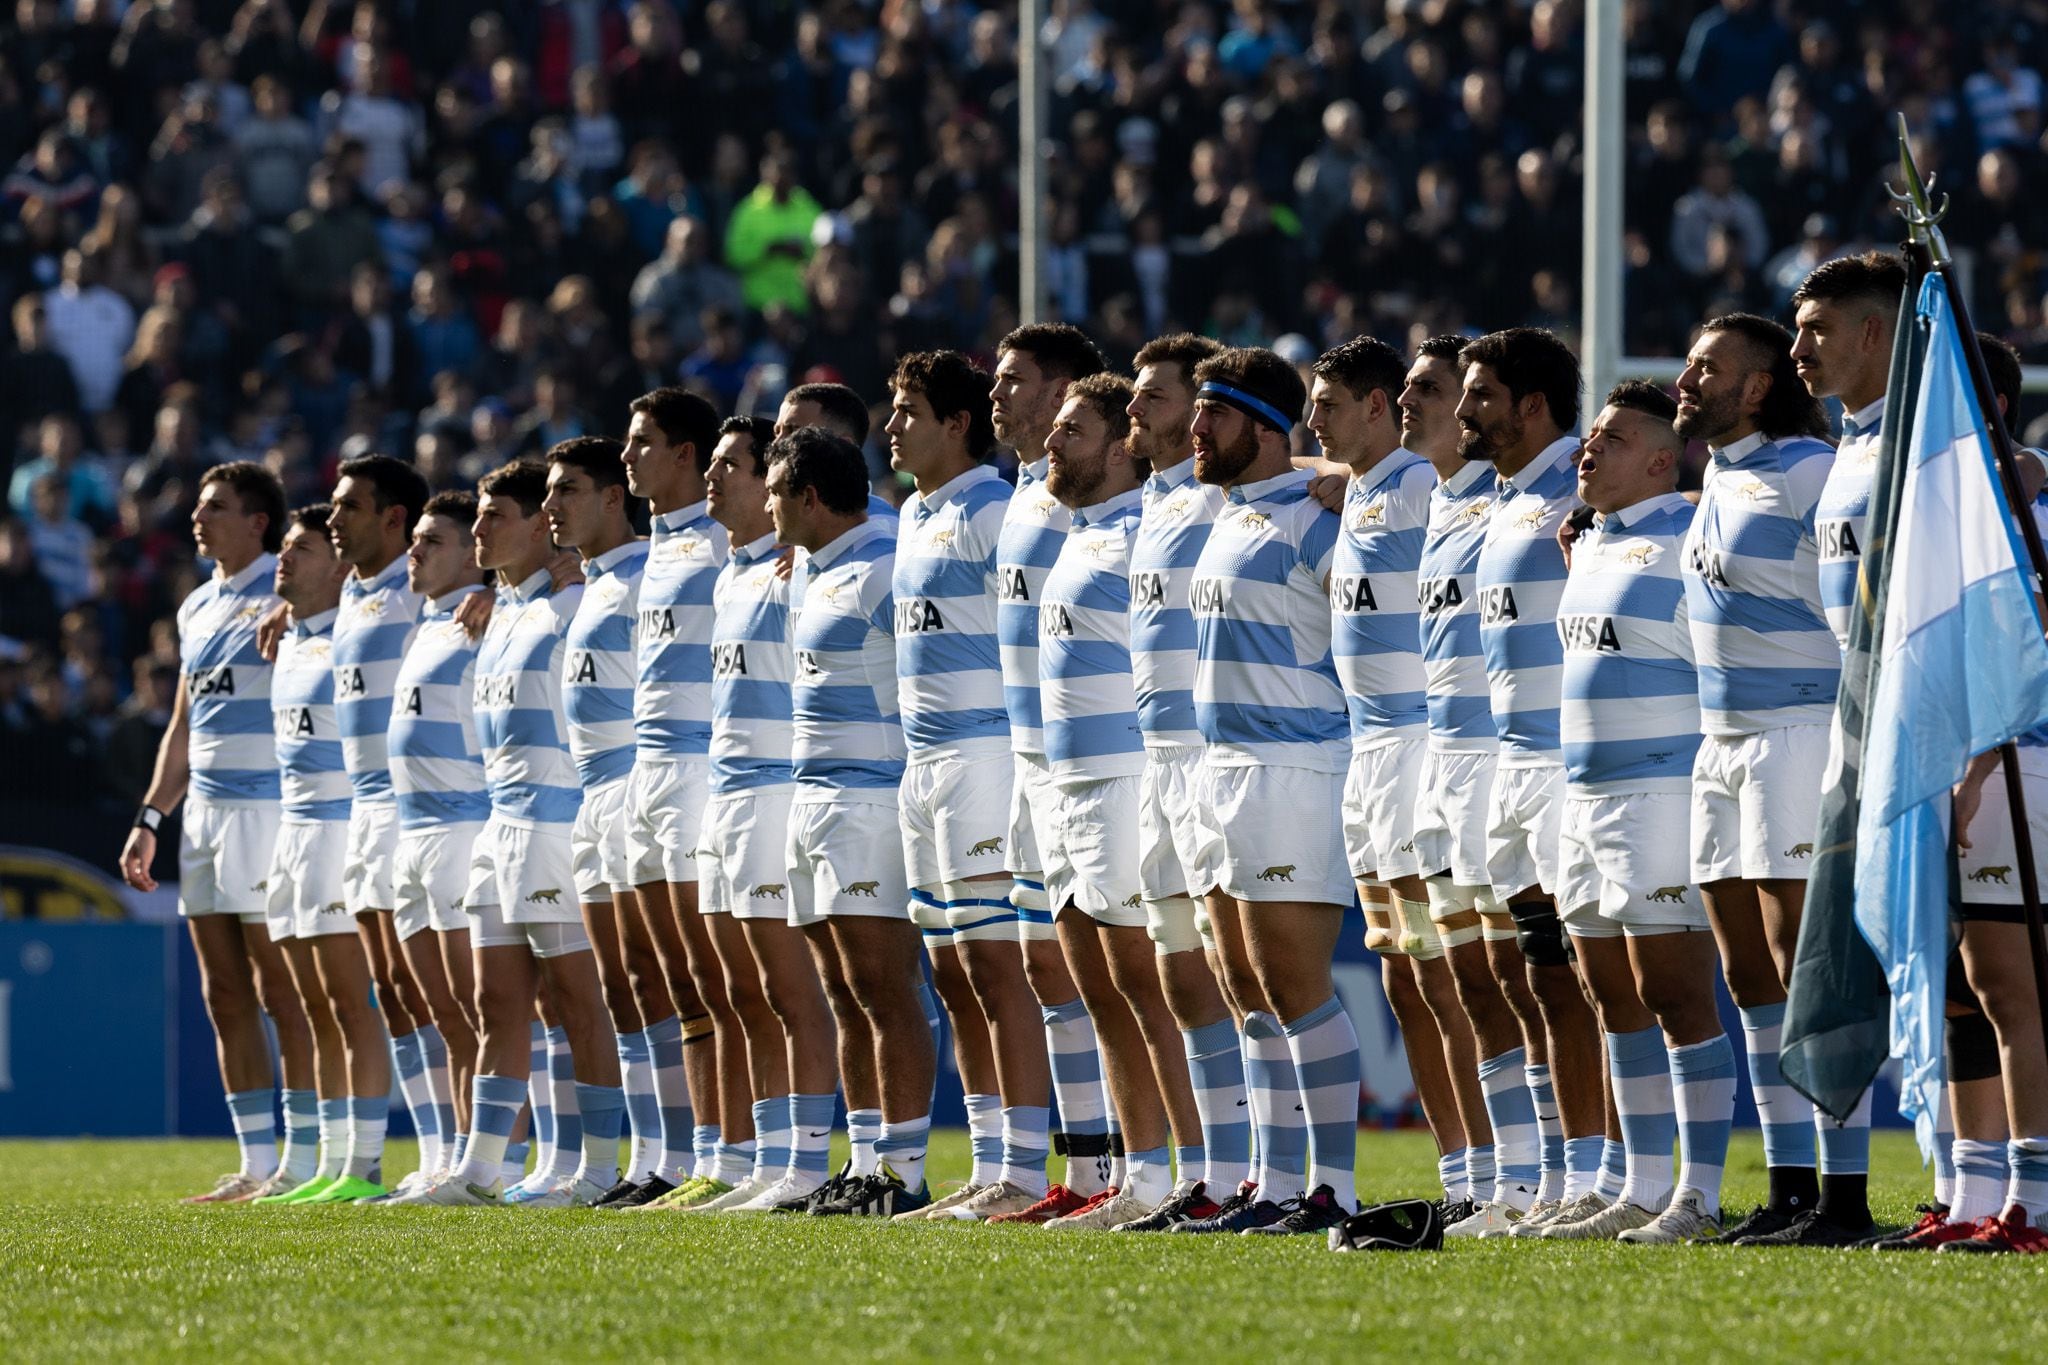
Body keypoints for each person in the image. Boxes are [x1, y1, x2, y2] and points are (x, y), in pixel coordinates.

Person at [1542, 383, 1738, 1245]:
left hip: (1661, 790)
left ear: (1664, 459)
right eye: (1589, 436)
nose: (1589, 450)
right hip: (1580, 793)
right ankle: (1637, 1183)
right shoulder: (1589, 542)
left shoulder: (1691, 539)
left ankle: (1698, 1195)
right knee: (1606, 991)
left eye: (1612, 440)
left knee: (1673, 991)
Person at [1175, 345, 1359, 1236]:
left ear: (1263, 427)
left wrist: (1341, 477)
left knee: (1294, 982)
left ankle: (1336, 1187)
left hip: (1295, 768)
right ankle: (1274, 1181)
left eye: (1213, 413)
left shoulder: (1321, 518)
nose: (1194, 428)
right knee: (1243, 982)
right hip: (1221, 768)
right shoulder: (1230, 513)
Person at [1309, 336, 1491, 1218]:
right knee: (1406, 976)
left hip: (1426, 747)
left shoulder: (1430, 488)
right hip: (1370, 756)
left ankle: (1502, 1169)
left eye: (1430, 389)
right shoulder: (1370, 489)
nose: (1417, 402)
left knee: (1452, 973)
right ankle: (1460, 1173)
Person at [1670, 311, 1841, 1245]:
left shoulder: (1809, 473)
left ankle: (1842, 1193)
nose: (1686, 380)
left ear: (1762, 384)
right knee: (1747, 976)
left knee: (1797, 962)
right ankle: (1787, 1186)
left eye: (1708, 368)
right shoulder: (1717, 478)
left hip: (1796, 734)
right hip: (1720, 743)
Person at [410, 458, 623, 1205]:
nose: (479, 529)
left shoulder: (574, 604)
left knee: (575, 1000)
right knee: (498, 1003)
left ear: (539, 525)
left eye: (495, 515)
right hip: (498, 826)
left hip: (554, 823)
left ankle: (596, 1168)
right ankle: (482, 1168)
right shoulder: (497, 611)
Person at [1030, 371, 1206, 1229]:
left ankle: (1200, 1169)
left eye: (1073, 430)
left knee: (1149, 986)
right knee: (1098, 989)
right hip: (1064, 785)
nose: (1053, 443)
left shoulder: (1144, 527)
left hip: (1127, 780)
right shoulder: (1074, 530)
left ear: (1119, 448)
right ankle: (1138, 1176)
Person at [1449, 327, 1611, 1236]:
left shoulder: (1580, 485)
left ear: (1532, 405)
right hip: (1509, 767)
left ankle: (1615, 1171)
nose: (1465, 412)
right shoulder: (1506, 498)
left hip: (1566, 767)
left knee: (1591, 980)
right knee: (1537, 980)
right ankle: (1561, 1174)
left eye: (1479, 394)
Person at [118, 463, 314, 1203]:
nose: (197, 520)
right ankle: (255, 1163)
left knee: (281, 992)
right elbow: (183, 724)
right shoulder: (197, 605)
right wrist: (150, 818)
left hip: (270, 811)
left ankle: (305, 1159)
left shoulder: (293, 588)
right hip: (203, 816)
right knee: (224, 993)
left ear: (258, 521)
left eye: (215, 508)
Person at [882, 349, 1043, 1221]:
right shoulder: (911, 514)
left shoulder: (995, 507)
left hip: (985, 757)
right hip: (924, 764)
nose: (892, 424)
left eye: (909, 410)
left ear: (957, 423)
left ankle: (1025, 1167)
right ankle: (990, 1165)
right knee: (952, 971)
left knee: (994, 964)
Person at [768, 425, 940, 1218]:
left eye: (774, 490)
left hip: (871, 798)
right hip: (811, 798)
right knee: (842, 988)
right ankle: (866, 1160)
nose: (765, 505)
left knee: (883, 983)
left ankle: (905, 1171)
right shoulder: (812, 569)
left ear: (809, 497)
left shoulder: (882, 568)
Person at [1111, 332, 1254, 1234]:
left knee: (1239, 976)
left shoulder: (1223, 497)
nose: (1140, 411)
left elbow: (1301, 473)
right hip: (1151, 762)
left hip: (1214, 762)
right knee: (1180, 982)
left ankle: (1264, 1171)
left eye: (1157, 397)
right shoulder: (1151, 501)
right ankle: (1208, 1172)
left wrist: (1327, 474)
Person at [689, 415, 841, 1213]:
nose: (712, 478)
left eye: (730, 465)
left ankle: (806, 1165)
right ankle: (762, 1157)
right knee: (740, 991)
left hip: (780, 791)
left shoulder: (804, 570)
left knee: (791, 992)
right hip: (726, 796)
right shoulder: (732, 572)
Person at [985, 323, 1119, 1223]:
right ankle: (1083, 1169)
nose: (998, 394)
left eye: (1015, 379)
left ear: (1066, 387)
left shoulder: (1100, 494)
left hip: (1105, 762)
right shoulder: (1025, 493)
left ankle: (1142, 1164)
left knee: (1115, 970)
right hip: (1032, 758)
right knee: (1048, 967)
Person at [1407, 334, 1542, 1232]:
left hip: (1515, 759)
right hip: (1441, 760)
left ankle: (1569, 1174)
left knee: (1534, 981)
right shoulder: (1449, 502)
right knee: (1467, 978)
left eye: (1458, 393)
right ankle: (1501, 1178)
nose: (1449, 411)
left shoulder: (1539, 501)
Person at [542, 435, 680, 1207]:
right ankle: (648, 1156)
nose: (552, 506)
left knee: (663, 980)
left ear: (608, 499)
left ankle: (691, 1152)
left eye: (566, 491)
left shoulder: (643, 575)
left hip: (639, 786)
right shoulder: (590, 582)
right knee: (623, 986)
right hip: (591, 796)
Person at [324, 456, 459, 1194]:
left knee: (442, 988)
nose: (332, 518)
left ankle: (479, 1151)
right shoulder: (351, 591)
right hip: (363, 808)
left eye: (348, 507)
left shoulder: (422, 594)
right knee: (394, 989)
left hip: (419, 809)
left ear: (393, 518)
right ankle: (438, 1152)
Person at [1941, 334, 2048, 1256]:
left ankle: (2033, 1203)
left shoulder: (2022, 515)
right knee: (1967, 991)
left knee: (2012, 989)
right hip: (1964, 763)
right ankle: (1977, 1191)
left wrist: (1977, 767)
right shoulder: (1962, 507)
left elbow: (2018, 651)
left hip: (2017, 763)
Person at [619, 388, 738, 1211]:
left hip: (705, 770)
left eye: (644, 443)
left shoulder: (728, 541)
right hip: (645, 772)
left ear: (689, 456)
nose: (629, 457)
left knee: (721, 975)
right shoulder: (651, 549)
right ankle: (702, 1155)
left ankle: (748, 1152)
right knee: (670, 978)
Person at [250, 504, 388, 1206]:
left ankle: (362, 1164)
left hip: (340, 828)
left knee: (349, 1004)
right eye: (284, 548)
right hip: (293, 833)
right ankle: (329, 1162)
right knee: (309, 1007)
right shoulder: (291, 640)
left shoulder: (356, 637)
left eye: (301, 549)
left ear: (339, 567)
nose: (284, 560)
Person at [385, 492, 492, 1191]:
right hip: (411, 829)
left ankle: (504, 1163)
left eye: (431, 542)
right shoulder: (424, 623)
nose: (414, 552)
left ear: (470, 553)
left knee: (483, 1010)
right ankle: (455, 1159)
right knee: (443, 1014)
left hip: (462, 825)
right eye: (414, 540)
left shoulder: (488, 617)